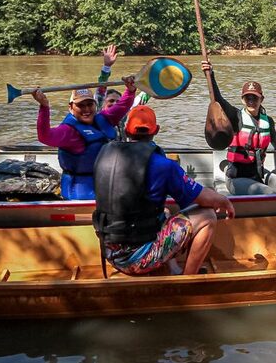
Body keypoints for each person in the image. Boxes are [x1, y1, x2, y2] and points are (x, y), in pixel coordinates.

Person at [93, 105, 235, 276]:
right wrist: (224, 201)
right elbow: (204, 199)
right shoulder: (164, 165)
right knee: (207, 216)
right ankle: (188, 280)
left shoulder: (104, 154)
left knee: (165, 211)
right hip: (137, 260)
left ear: (126, 130)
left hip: (110, 252)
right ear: (156, 130)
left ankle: (172, 268)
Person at [31, 74, 136, 199]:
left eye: (89, 104)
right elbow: (45, 136)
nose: (86, 109)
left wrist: (130, 90)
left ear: (95, 105)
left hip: (105, 184)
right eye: (81, 105)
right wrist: (44, 106)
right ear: (71, 108)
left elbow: (122, 106)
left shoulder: (104, 118)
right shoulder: (68, 131)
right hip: (80, 192)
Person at [200, 60, 276, 195]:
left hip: (257, 174)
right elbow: (218, 99)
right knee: (268, 194)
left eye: (255, 98)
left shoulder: (267, 121)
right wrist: (210, 74)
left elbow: (274, 138)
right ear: (242, 100)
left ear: (261, 99)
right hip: (236, 178)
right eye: (247, 98)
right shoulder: (235, 117)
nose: (251, 101)